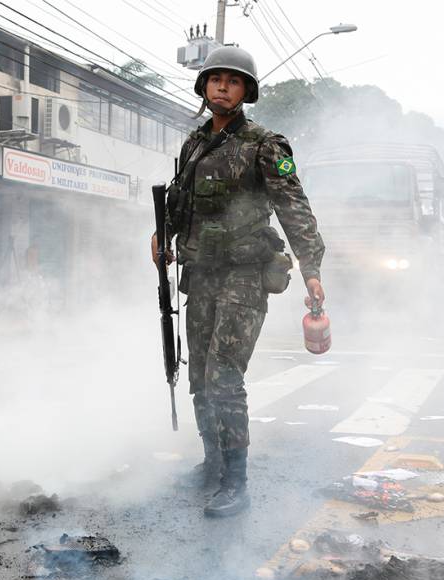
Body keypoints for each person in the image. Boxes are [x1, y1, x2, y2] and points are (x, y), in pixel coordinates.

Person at [151, 46, 325, 518]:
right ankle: (211, 463)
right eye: (215, 79)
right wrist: (161, 234)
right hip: (200, 275)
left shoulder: (266, 144)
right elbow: (179, 204)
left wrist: (310, 267)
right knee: (200, 377)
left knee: (225, 377)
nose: (222, 86)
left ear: (246, 90)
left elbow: (294, 205)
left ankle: (236, 481)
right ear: (203, 87)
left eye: (233, 80)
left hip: (244, 275)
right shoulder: (193, 144)